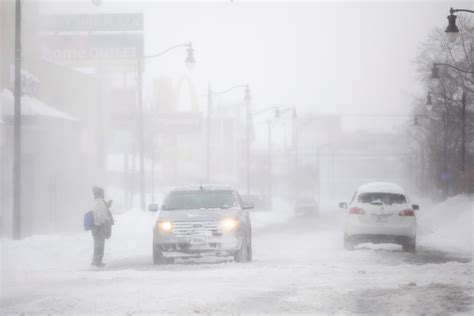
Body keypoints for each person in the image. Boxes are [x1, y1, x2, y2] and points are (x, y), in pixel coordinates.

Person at [91, 186, 114, 267]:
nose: (104, 194)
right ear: (100, 194)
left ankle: (96, 261)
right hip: (99, 227)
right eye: (103, 193)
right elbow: (101, 216)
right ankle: (97, 262)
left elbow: (101, 210)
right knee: (99, 245)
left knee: (98, 244)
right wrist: (106, 220)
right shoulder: (100, 203)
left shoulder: (97, 202)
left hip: (96, 226)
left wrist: (107, 205)